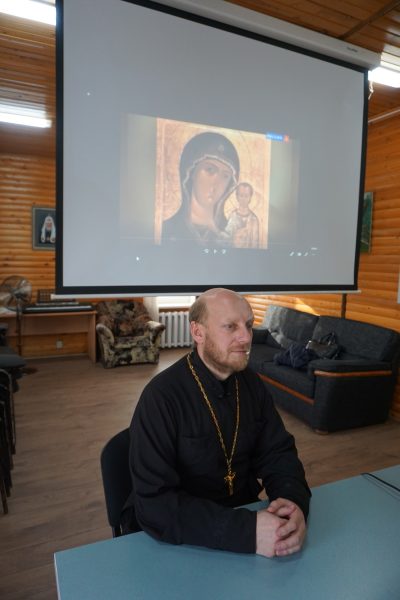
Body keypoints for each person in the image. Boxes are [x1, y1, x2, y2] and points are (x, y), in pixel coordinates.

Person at [122, 288, 310, 557]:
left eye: (248, 325)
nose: (246, 337)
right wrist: (246, 531)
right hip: (180, 540)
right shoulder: (161, 397)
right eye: (230, 326)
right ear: (197, 332)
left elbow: (278, 453)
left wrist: (293, 503)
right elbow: (155, 504)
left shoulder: (252, 385)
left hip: (243, 519)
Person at [161, 131, 239, 245]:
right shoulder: (166, 230)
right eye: (210, 170)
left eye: (225, 176)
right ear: (191, 172)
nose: (216, 183)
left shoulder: (233, 236)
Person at [223, 182, 259, 248]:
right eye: (241, 195)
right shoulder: (232, 216)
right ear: (237, 197)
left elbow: (255, 243)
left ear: (250, 197)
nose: (243, 199)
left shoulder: (254, 219)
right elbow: (227, 238)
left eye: (246, 196)